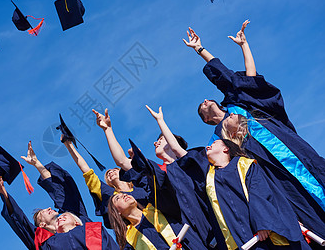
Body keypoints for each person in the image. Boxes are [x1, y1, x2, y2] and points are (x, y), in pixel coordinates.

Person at [183, 21, 325, 239]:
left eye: (206, 100)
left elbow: (248, 80)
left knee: (316, 174)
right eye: (201, 106)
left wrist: (219, 48)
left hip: (288, 146)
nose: (205, 100)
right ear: (207, 119)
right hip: (267, 167)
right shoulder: (219, 139)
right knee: (300, 204)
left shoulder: (237, 104)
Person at [93, 109, 212, 249]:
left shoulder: (191, 163)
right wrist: (108, 130)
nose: (155, 143)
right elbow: (122, 163)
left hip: (207, 219)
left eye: (161, 139)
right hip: (187, 227)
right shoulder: (156, 177)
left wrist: (160, 121)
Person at [0, 141, 119, 249]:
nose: (50, 208)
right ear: (43, 226)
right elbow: (20, 222)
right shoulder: (46, 245)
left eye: (64, 215)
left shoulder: (87, 226)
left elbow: (60, 192)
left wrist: (37, 164)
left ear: (76, 222)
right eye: (43, 213)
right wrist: (1, 189)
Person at [61, 134, 150, 228]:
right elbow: (86, 170)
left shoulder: (139, 185)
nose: (110, 172)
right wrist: (69, 145)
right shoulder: (108, 194)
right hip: (136, 232)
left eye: (114, 170)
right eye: (108, 174)